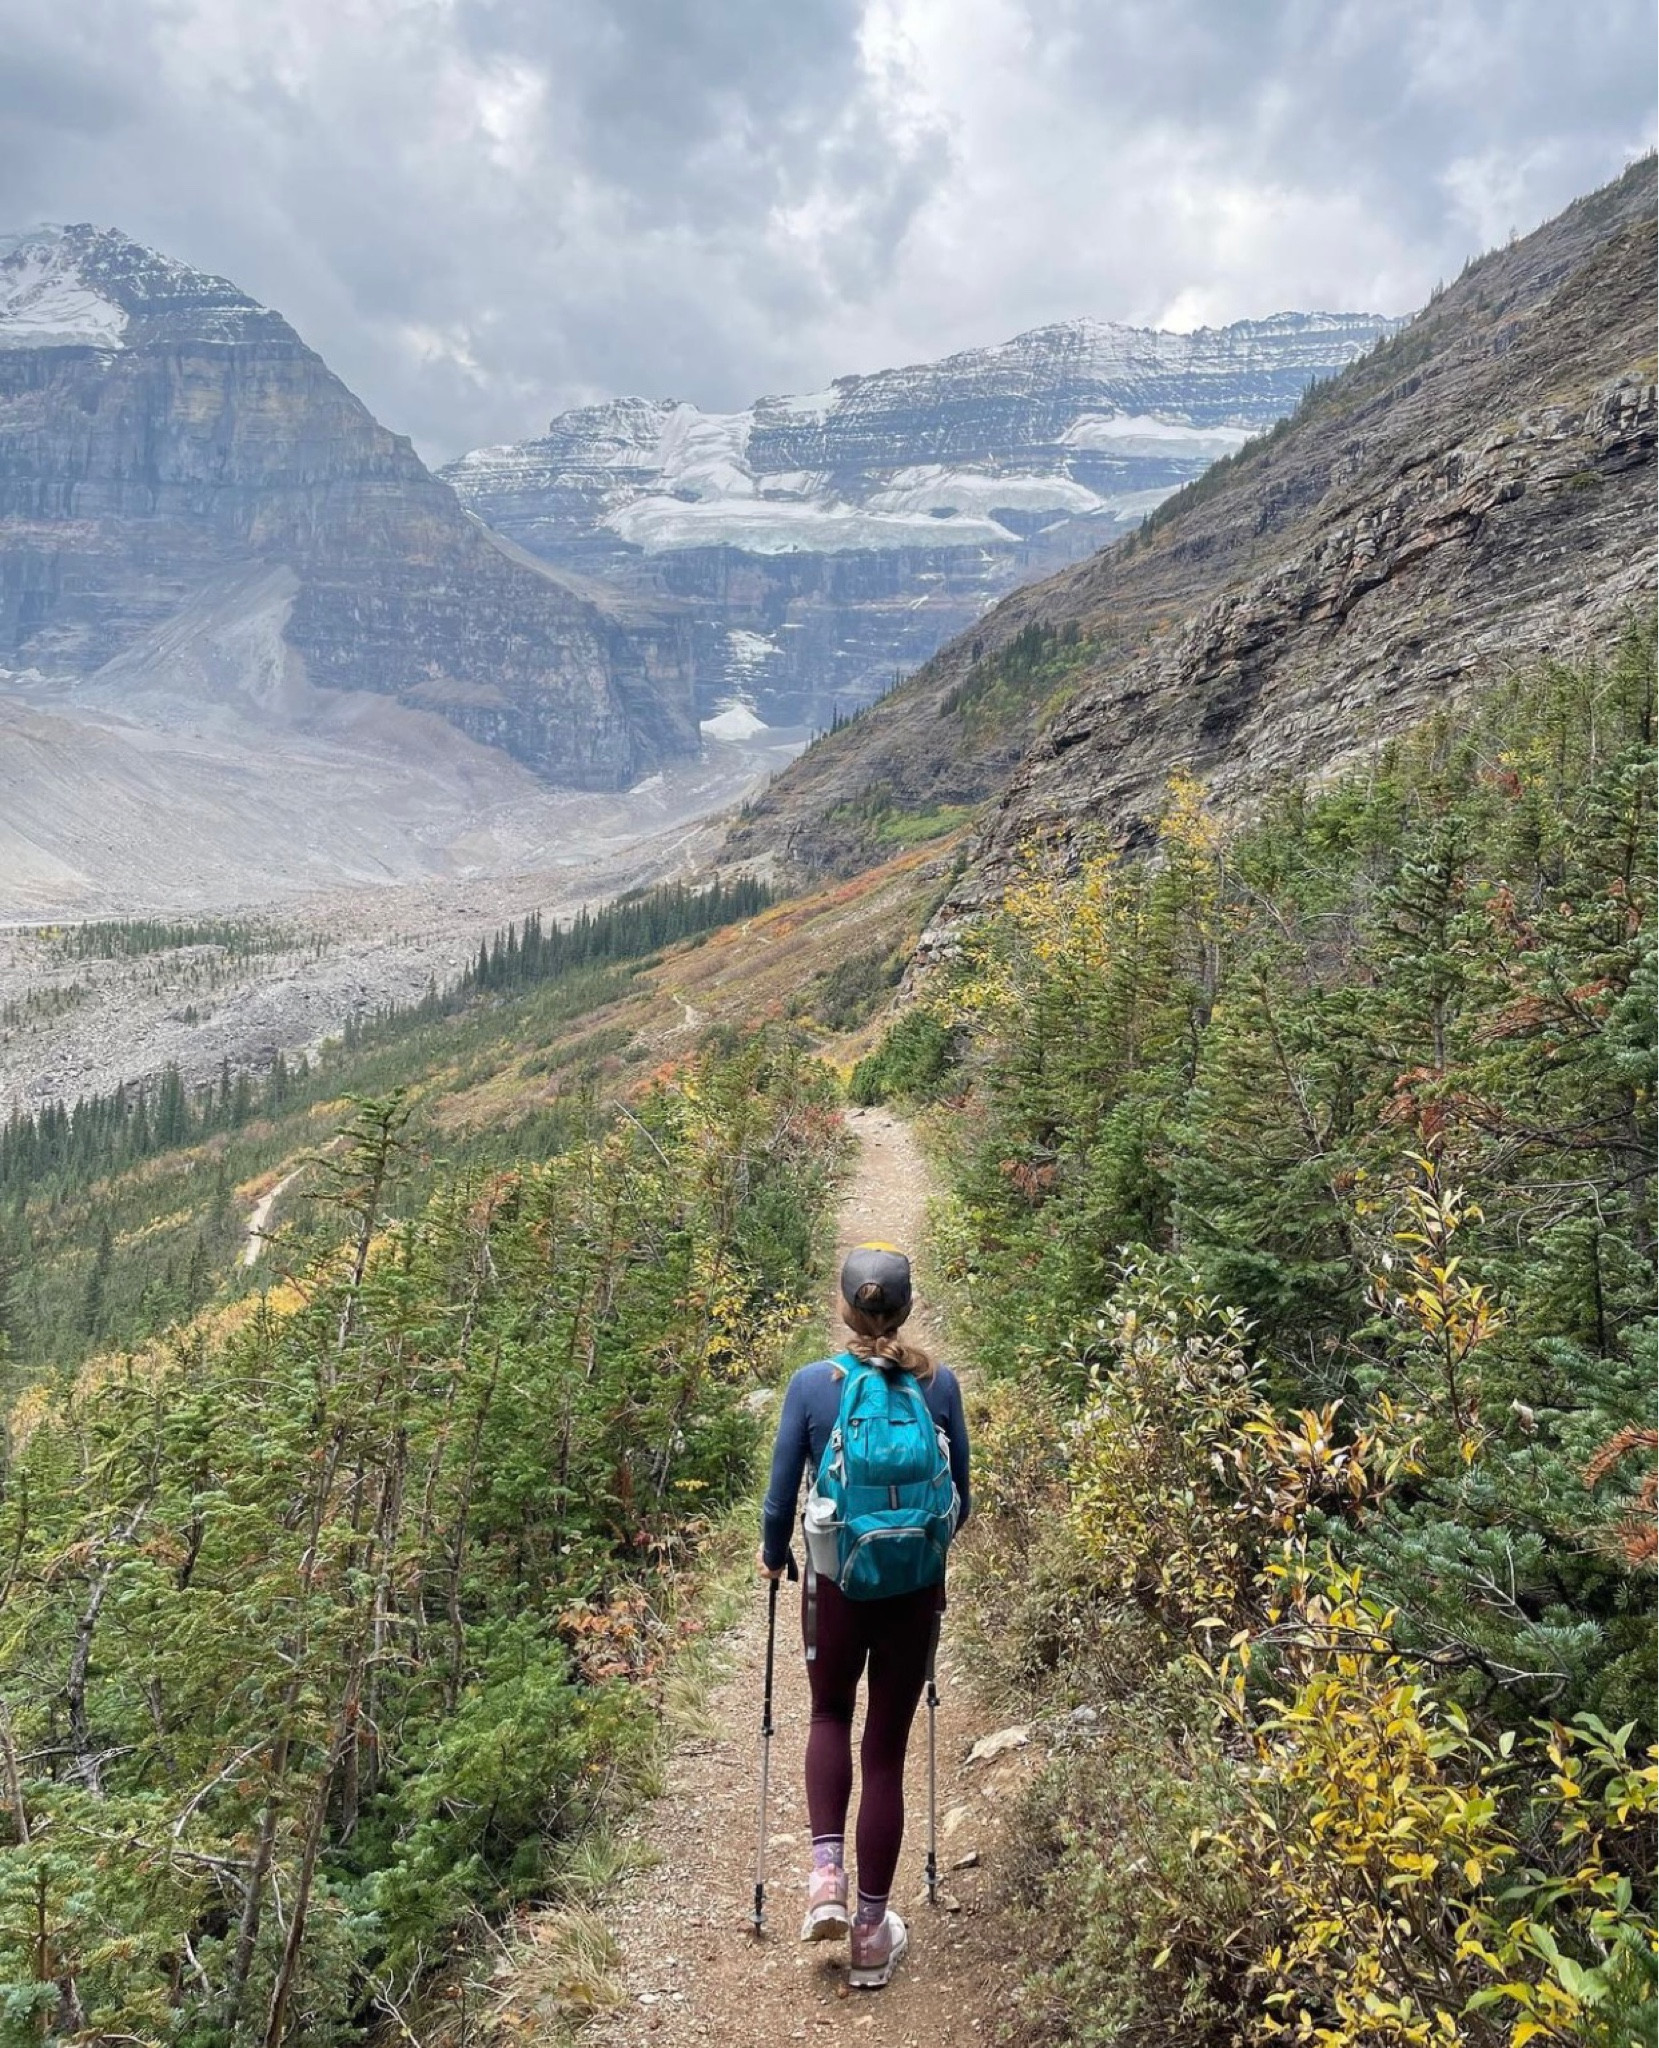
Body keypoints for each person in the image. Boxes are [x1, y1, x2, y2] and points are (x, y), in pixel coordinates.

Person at [757, 1242, 971, 1989]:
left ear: (844, 1308)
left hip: (836, 1584)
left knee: (826, 1718)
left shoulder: (814, 1385)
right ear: (906, 1308)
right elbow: (961, 1503)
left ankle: (824, 1879)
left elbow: (782, 1494)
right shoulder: (936, 1385)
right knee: (884, 1753)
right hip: (912, 1590)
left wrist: (772, 1553)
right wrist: (920, 1554)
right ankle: (873, 1936)